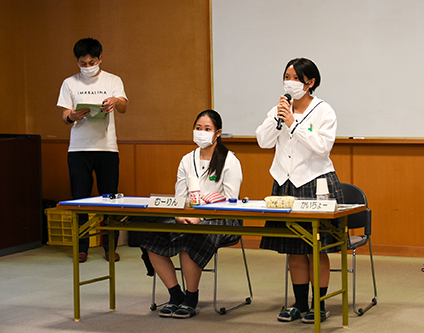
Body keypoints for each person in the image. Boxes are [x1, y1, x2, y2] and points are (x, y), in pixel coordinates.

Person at [255, 58, 344, 324]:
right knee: (294, 248)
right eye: (286, 76)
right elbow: (263, 141)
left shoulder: (324, 110)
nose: (289, 81)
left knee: (316, 247)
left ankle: (319, 304)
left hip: (315, 183)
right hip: (285, 183)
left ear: (310, 82)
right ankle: (300, 303)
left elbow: (321, 147)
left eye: (294, 77)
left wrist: (294, 123)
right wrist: (278, 117)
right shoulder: (279, 108)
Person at [141, 110, 243, 319]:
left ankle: (191, 298)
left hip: (221, 219)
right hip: (187, 215)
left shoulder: (230, 160)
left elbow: (232, 201)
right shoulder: (187, 159)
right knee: (152, 241)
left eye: (207, 129)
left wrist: (202, 218)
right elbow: (180, 196)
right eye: (198, 128)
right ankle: (175, 294)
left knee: (189, 240)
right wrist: (180, 216)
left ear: (218, 133)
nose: (201, 133)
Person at [57, 38, 128, 263]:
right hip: (78, 148)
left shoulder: (113, 80)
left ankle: (110, 246)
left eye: (92, 62)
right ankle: (82, 247)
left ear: (100, 58)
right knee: (80, 200)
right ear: (77, 61)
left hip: (107, 147)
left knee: (110, 198)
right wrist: (72, 116)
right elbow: (64, 115)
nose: (88, 67)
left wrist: (115, 101)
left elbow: (124, 107)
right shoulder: (70, 83)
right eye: (83, 63)